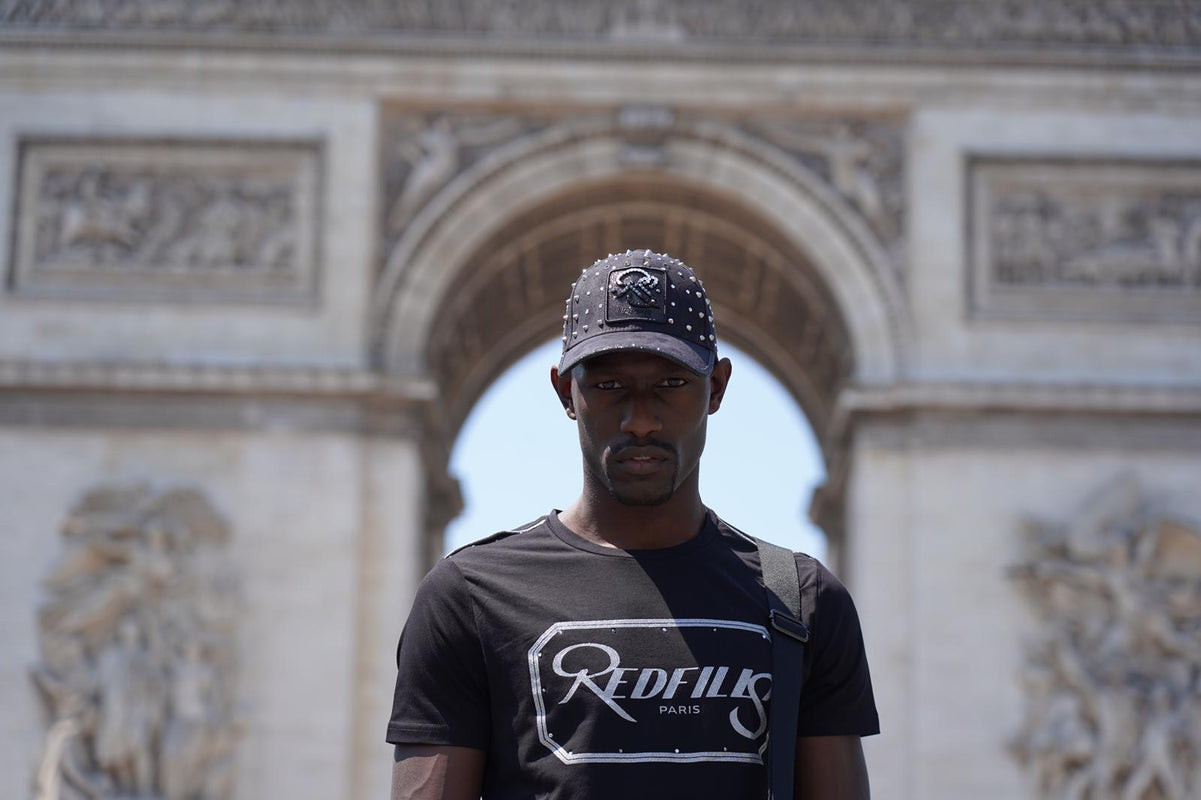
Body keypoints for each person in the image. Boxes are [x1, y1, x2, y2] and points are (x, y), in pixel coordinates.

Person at [387, 250, 879, 799]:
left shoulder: (804, 603)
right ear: (565, 392)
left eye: (671, 383)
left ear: (716, 388)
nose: (640, 419)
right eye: (608, 386)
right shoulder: (468, 597)